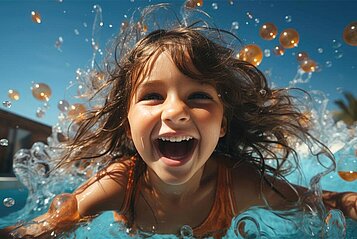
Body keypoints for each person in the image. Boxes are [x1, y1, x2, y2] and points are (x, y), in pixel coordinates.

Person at [1, 4, 356, 239]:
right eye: (152, 96)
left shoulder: (241, 184)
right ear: (127, 126)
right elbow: (40, 228)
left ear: (222, 125)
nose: (175, 112)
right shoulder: (118, 183)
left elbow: (324, 200)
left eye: (199, 96)